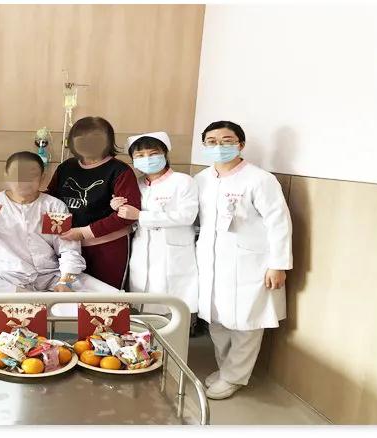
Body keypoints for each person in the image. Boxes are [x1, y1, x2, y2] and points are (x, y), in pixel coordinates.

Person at [194, 120, 293, 399]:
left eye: (227, 140)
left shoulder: (260, 179)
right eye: (212, 141)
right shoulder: (201, 179)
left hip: (251, 264)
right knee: (216, 319)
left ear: (241, 144)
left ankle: (234, 377)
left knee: (246, 322)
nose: (219, 146)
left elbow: (279, 223)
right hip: (211, 261)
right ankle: (226, 369)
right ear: (204, 146)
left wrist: (278, 264)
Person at [0, 151, 119, 316]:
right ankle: (40, 301)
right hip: (6, 276)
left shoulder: (53, 206)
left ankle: (41, 302)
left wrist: (66, 282)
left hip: (49, 276)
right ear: (6, 175)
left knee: (109, 295)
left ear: (42, 177)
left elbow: (68, 249)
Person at [45, 116, 142, 290]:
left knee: (104, 297)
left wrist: (84, 233)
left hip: (107, 247)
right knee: (68, 295)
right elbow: (51, 200)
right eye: (81, 138)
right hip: (68, 248)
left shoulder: (119, 171)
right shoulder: (66, 167)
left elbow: (127, 215)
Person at [110, 132, 199, 316]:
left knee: (173, 309)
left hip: (172, 252)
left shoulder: (183, 181)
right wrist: (118, 207)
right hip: (142, 250)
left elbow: (187, 216)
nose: (147, 159)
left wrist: (141, 216)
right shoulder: (136, 184)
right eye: (140, 155)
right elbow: (130, 220)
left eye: (153, 154)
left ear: (165, 154)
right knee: (142, 307)